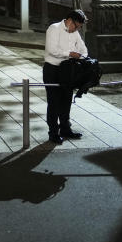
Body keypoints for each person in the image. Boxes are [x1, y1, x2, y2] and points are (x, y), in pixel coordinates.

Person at [43, 9, 88, 144]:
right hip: (52, 69)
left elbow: (83, 50)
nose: (77, 30)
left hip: (68, 70)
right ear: (69, 21)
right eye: (77, 26)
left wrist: (80, 56)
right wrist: (70, 53)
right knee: (54, 102)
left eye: (79, 27)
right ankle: (53, 132)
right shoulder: (54, 28)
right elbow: (52, 50)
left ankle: (65, 128)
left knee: (66, 100)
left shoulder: (75, 33)